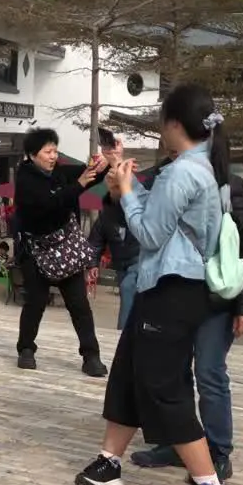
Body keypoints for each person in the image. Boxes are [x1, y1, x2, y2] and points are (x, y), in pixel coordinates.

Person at [74, 83, 236, 485]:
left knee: (165, 386)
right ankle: (109, 462)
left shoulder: (185, 172)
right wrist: (122, 179)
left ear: (174, 124)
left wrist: (125, 191)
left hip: (173, 290)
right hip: (163, 287)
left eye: (162, 120)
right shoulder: (191, 166)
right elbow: (155, 216)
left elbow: (148, 232)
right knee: (128, 371)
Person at [129, 157, 243, 482]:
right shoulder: (165, 175)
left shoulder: (228, 183)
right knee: (175, 372)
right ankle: (179, 441)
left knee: (209, 372)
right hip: (177, 292)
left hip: (216, 298)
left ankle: (218, 452)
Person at [13, 128, 108, 376]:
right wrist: (78, 185)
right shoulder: (25, 180)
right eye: (48, 151)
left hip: (65, 249)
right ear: (33, 155)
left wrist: (104, 163)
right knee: (35, 302)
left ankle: (91, 355)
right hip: (36, 251)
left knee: (79, 304)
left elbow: (90, 177)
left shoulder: (59, 173)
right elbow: (48, 206)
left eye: (55, 150)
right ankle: (26, 349)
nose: (53, 156)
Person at [87, 128, 140, 332]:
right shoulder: (108, 212)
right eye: (110, 183)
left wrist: (117, 161)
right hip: (121, 264)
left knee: (128, 290)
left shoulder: (136, 201)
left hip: (140, 261)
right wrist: (92, 264)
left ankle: (123, 335)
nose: (113, 186)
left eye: (117, 182)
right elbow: (95, 240)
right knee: (128, 292)